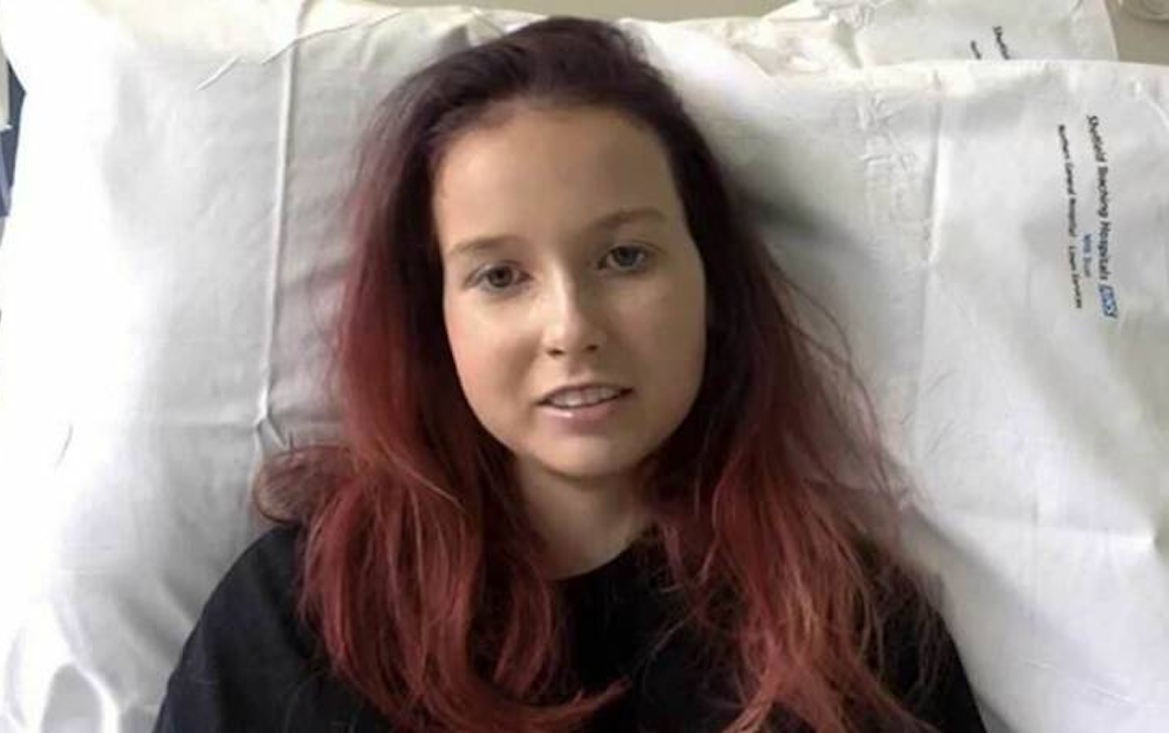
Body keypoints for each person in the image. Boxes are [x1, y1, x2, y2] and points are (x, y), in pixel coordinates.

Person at [155, 15, 988, 733]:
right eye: (499, 276)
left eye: (624, 257)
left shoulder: (854, 627)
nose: (571, 328)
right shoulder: (304, 613)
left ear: (710, 283)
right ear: (432, 317)